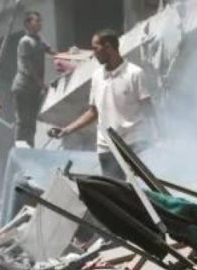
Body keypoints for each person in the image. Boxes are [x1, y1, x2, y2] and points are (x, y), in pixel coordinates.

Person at [49, 30, 154, 180]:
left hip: (134, 144)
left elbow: (148, 109)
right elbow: (93, 111)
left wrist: (158, 138)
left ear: (108, 47)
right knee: (114, 189)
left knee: (140, 189)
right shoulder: (97, 76)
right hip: (107, 148)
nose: (93, 53)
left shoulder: (135, 73)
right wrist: (66, 130)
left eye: (96, 48)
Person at [12, 11, 56, 147]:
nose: (40, 23)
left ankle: (30, 147)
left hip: (34, 88)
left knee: (31, 122)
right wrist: (41, 84)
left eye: (40, 21)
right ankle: (21, 149)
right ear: (28, 23)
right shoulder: (25, 41)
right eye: (37, 21)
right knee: (23, 121)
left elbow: (54, 53)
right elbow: (29, 67)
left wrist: (71, 54)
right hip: (23, 87)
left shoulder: (39, 40)